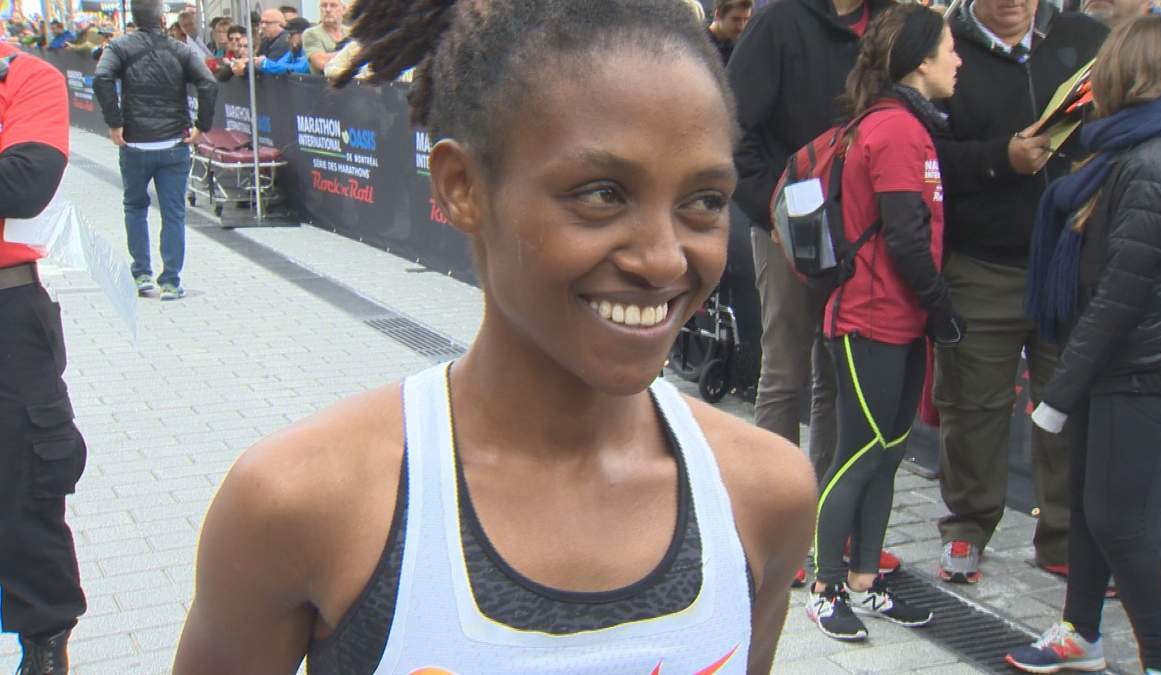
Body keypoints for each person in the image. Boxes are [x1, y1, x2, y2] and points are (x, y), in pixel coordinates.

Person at [173, 0, 816, 672]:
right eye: (601, 193)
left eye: (704, 201)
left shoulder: (764, 494)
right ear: (462, 187)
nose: (663, 259)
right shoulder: (303, 503)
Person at [1004, 15, 1161, 674]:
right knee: (1091, 511)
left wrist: (1057, 392)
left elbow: (1123, 292)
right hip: (1116, 358)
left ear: (1127, 74)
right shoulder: (1134, 148)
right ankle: (1078, 633)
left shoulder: (1153, 160)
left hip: (1136, 365)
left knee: (1119, 522)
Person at [930, 0, 1107, 585]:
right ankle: (967, 527)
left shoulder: (1085, 38)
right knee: (973, 404)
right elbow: (924, 155)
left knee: (1065, 401)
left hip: (1066, 262)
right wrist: (999, 159)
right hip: (983, 261)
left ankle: (1060, 534)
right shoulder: (943, 47)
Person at [727, 0, 900, 587]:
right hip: (788, 226)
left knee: (837, 379)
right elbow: (732, 126)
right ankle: (774, 524)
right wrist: (774, 205)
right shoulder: (778, 22)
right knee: (784, 375)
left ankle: (828, 522)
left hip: (861, 233)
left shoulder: (889, 20)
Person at [805, 3, 963, 642]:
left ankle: (866, 581)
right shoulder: (896, 129)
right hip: (870, 318)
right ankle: (824, 584)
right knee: (861, 451)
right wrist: (943, 308)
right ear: (921, 60)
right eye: (951, 49)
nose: (958, 61)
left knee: (887, 452)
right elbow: (904, 236)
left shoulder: (910, 125)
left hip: (898, 319)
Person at [0, 41, 87, 675]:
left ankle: (45, 647)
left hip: (8, 321)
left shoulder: (25, 75)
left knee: (26, 488)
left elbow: (25, 181)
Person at [93, 0, 217, 301]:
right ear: (163, 19)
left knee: (135, 207)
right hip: (174, 143)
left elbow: (101, 78)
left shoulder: (119, 47)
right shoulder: (180, 50)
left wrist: (114, 122)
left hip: (134, 143)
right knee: (173, 213)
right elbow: (209, 83)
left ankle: (142, 275)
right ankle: (171, 281)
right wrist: (202, 126)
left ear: (134, 18)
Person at [302, 0, 347, 74]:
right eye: (324, 5)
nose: (328, 10)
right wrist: (350, 53)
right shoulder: (311, 33)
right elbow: (320, 62)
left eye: (333, 5)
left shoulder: (351, 32)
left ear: (343, 10)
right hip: (324, 83)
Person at [707, 0, 752, 64]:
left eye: (746, 19)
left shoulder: (742, 46)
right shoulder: (698, 44)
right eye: (735, 19)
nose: (741, 27)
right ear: (718, 14)